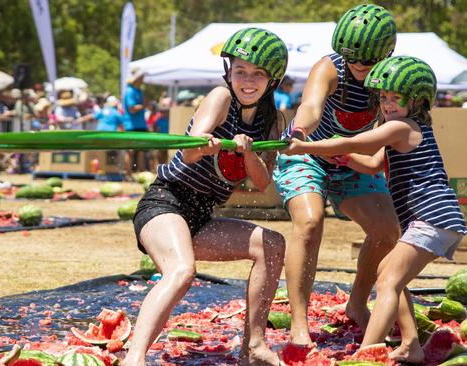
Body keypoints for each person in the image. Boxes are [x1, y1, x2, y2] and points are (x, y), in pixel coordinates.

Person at [122, 28, 289, 366]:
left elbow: (261, 182)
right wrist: (203, 142)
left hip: (202, 216)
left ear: (272, 80)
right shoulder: (220, 97)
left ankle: (253, 347)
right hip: (165, 203)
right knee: (183, 270)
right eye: (240, 70)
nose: (247, 80)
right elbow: (188, 153)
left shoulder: (272, 120)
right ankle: (134, 358)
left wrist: (248, 154)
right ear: (229, 71)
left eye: (257, 74)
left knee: (273, 243)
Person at [284, 56, 466, 363]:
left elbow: (360, 143)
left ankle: (368, 353)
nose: (387, 104)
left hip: (433, 219)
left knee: (387, 280)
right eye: (383, 97)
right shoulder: (398, 129)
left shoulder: (402, 127)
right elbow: (370, 162)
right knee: (392, 275)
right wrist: (348, 160)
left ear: (417, 101)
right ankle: (410, 345)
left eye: (396, 98)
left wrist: (306, 146)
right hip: (431, 221)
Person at [272, 4, 401, 345]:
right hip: (308, 154)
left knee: (388, 232)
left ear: (386, 53)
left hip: (351, 160)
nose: (358, 66)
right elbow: (311, 106)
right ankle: (298, 324)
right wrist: (299, 132)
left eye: (366, 61)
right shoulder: (330, 67)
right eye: (351, 59)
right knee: (311, 222)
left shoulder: (392, 76)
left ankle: (356, 305)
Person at [122, 68, 149, 176]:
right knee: (130, 151)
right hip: (131, 125)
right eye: (141, 77)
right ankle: (128, 174)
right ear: (137, 78)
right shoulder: (130, 91)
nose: (143, 79)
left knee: (142, 150)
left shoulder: (138, 91)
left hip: (141, 124)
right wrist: (144, 106)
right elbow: (132, 109)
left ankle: (140, 173)